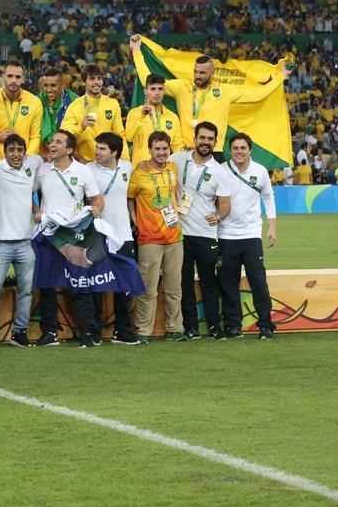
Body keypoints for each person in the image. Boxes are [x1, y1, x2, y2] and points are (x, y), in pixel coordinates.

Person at [129, 35, 289, 152]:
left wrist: (280, 77)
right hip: (186, 151)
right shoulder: (181, 87)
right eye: (196, 72)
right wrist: (136, 51)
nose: (198, 76)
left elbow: (257, 95)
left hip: (214, 151)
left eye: (202, 73)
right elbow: (148, 80)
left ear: (212, 73)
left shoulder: (225, 91)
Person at [34, 130, 102, 347]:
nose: (52, 145)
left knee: (80, 284)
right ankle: (50, 332)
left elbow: (96, 198)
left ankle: (89, 332)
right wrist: (36, 211)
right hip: (49, 233)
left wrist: (95, 211)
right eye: (51, 141)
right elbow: (27, 194)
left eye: (58, 142)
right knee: (47, 285)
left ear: (70, 149)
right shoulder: (42, 170)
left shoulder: (82, 171)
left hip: (74, 236)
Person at [173, 121, 232, 340]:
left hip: (206, 234)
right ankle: (191, 327)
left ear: (215, 142)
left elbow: (225, 204)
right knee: (184, 282)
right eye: (202, 138)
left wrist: (218, 215)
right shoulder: (177, 160)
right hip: (180, 234)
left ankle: (214, 326)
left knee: (209, 282)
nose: (205, 142)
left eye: (210, 139)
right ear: (195, 138)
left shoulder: (219, 171)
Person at [218, 134, 278, 339]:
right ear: (230, 150)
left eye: (243, 148)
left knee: (258, 281)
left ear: (249, 150)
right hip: (226, 234)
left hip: (251, 235)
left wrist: (272, 227)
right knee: (228, 282)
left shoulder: (260, 171)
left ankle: (266, 325)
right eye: (235, 148)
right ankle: (233, 325)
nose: (239, 152)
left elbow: (268, 198)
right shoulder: (222, 170)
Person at [127, 130, 185, 343]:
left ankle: (175, 328)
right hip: (149, 237)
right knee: (147, 288)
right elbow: (130, 198)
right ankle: (143, 330)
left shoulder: (173, 168)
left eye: (165, 148)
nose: (161, 152)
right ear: (150, 149)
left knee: (174, 287)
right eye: (157, 149)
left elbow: (175, 193)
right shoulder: (139, 172)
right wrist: (135, 221)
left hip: (174, 236)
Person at [0, 134, 40, 348]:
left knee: (26, 290)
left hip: (25, 242)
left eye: (20, 150)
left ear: (25, 152)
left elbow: (42, 164)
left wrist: (35, 209)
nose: (16, 154)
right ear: (4, 152)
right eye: (12, 150)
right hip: (0, 243)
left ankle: (20, 332)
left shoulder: (33, 164)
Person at [87, 132, 139, 345]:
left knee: (123, 286)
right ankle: (94, 331)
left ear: (115, 152)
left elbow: (132, 197)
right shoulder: (88, 170)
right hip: (98, 234)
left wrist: (135, 221)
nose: (97, 152)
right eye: (97, 147)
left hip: (124, 234)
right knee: (97, 284)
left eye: (102, 149)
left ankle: (122, 331)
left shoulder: (128, 168)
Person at [0, 61, 44, 160]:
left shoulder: (34, 102)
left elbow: (35, 136)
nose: (13, 80)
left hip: (23, 160)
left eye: (18, 77)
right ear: (3, 77)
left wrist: (27, 158)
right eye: (10, 76)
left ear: (23, 79)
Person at [61, 65, 123, 163]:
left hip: (108, 163)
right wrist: (81, 127)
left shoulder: (112, 104)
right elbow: (64, 136)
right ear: (84, 81)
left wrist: (125, 160)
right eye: (92, 79)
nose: (96, 82)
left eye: (99, 78)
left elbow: (120, 135)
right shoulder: (74, 106)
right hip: (84, 163)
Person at [123, 73, 184, 166]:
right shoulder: (135, 113)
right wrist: (142, 116)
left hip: (163, 171)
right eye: (153, 89)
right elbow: (129, 137)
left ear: (164, 91)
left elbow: (177, 147)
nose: (157, 93)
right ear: (145, 91)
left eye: (160, 89)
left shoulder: (172, 117)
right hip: (141, 170)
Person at [37, 67, 76, 149]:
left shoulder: (74, 100)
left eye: (53, 85)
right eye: (45, 85)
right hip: (43, 150)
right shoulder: (38, 100)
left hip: (66, 148)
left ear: (62, 85)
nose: (49, 90)